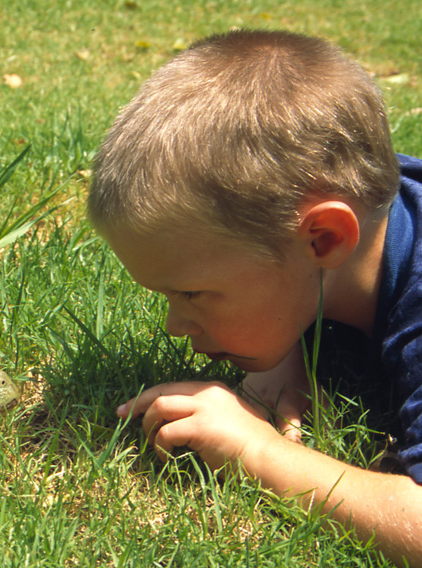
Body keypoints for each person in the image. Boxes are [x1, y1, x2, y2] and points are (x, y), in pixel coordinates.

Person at [88, 29, 422, 566]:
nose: (175, 325)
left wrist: (259, 451)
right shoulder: (344, 231)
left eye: (193, 292)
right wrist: (287, 353)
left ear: (325, 239)